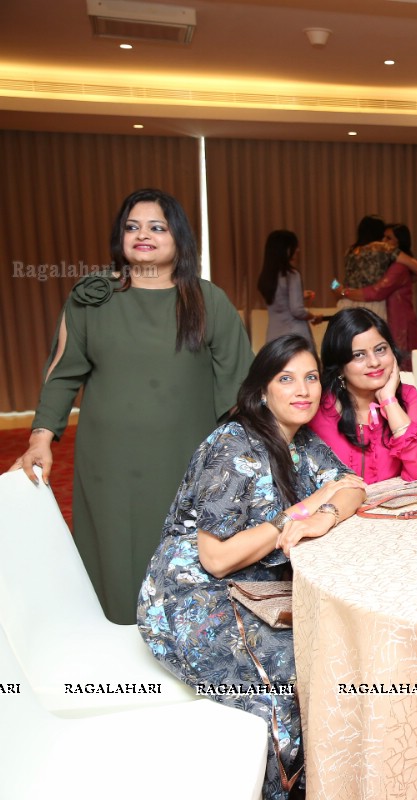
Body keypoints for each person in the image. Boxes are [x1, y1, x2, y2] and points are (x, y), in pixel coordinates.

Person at [138, 335, 367, 800]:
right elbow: (216, 558)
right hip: (193, 595)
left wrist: (325, 515)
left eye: (311, 378)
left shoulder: (300, 440)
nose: (303, 390)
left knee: (333, 650)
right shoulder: (233, 445)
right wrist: (299, 510)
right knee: (289, 678)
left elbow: (352, 485)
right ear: (263, 389)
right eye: (287, 379)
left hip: (258, 587)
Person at [12, 188, 253, 624]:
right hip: (109, 465)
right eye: (132, 226)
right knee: (115, 561)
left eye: (157, 227)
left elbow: (240, 387)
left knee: (183, 562)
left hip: (187, 461)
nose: (143, 234)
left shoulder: (206, 300)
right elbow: (62, 372)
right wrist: (40, 437)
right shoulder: (93, 298)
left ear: (178, 237)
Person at [308, 308, 417, 483]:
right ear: (340, 366)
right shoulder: (318, 408)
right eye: (358, 355)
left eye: (381, 349)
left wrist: (390, 401)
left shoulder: (407, 397)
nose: (374, 362)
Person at [339, 223, 417, 365]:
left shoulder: (399, 267)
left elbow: (376, 292)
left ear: (399, 242)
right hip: (384, 313)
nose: (383, 242)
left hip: (399, 320)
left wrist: (343, 292)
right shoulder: (381, 261)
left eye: (388, 238)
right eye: (383, 237)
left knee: (399, 365)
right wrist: (341, 290)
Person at [257, 229, 315, 346]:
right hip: (295, 336)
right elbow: (297, 310)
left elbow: (279, 299)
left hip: (273, 336)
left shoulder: (267, 277)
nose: (298, 250)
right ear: (287, 250)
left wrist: (301, 295)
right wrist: (313, 316)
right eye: (295, 246)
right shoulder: (292, 275)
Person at [336, 214, 392, 321]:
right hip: (372, 301)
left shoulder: (350, 251)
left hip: (348, 301)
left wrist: (340, 289)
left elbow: (337, 283)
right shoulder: (382, 250)